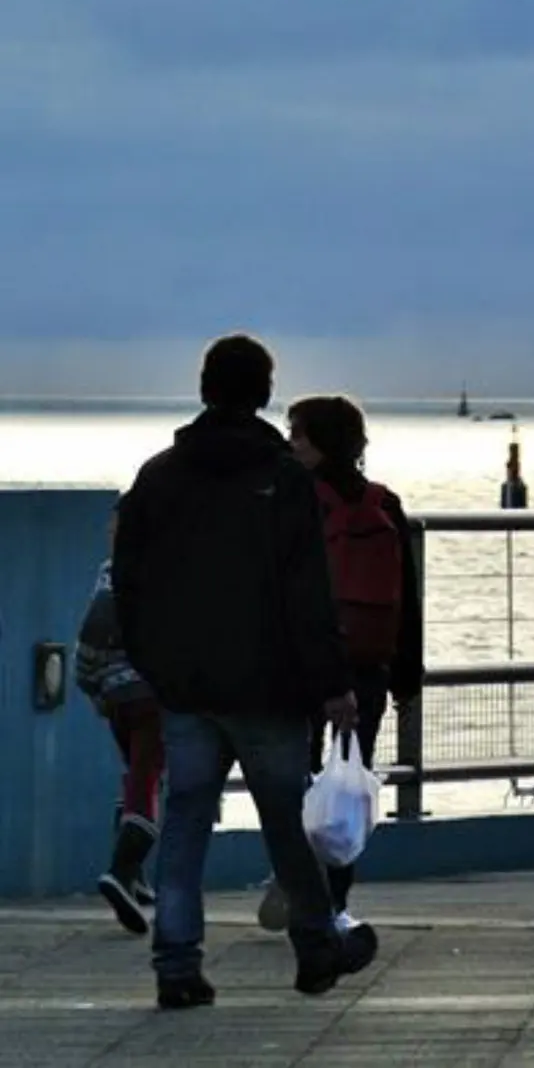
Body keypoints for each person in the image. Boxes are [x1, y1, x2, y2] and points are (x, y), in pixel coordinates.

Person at [113, 333, 377, 1009]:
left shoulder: (159, 476)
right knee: (286, 822)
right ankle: (315, 946)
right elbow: (308, 595)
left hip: (187, 688)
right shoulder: (284, 481)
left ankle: (177, 963)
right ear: (264, 392)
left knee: (186, 820)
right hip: (269, 688)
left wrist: (156, 663)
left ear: (205, 388)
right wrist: (333, 685)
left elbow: (129, 583)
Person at [254, 395, 424, 932]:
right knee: (349, 783)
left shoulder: (294, 499)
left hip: (301, 663)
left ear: (321, 443)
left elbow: (274, 586)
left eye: (298, 435)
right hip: (369, 662)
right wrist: (407, 672)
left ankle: (294, 876)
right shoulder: (383, 502)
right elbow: (408, 596)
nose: (290, 444)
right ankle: (336, 899)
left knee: (293, 777)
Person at [75, 502, 163, 935]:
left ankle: (135, 877)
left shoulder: (112, 572)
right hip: (153, 695)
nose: (109, 534)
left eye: (114, 527)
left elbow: (92, 632)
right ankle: (121, 872)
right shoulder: (167, 570)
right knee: (146, 779)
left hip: (116, 697)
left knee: (136, 775)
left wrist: (89, 683)